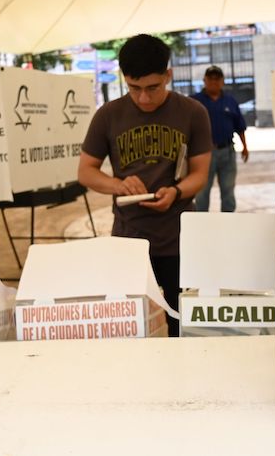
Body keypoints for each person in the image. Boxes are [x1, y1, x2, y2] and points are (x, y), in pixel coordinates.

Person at [78, 34, 212, 337]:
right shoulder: (108, 115)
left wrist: (176, 192)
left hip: (178, 239)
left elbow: (199, 174)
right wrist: (117, 185)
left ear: (168, 75)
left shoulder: (192, 113)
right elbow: (86, 172)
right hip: (128, 239)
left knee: (181, 323)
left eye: (153, 87)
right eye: (134, 88)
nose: (144, 98)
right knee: (131, 327)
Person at [191, 65, 248, 212]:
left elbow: (240, 126)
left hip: (227, 151)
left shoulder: (230, 101)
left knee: (228, 190)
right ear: (204, 80)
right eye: (211, 79)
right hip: (203, 154)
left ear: (223, 81)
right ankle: (201, 224)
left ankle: (228, 223)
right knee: (202, 191)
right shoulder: (194, 102)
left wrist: (245, 147)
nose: (214, 82)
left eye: (217, 79)